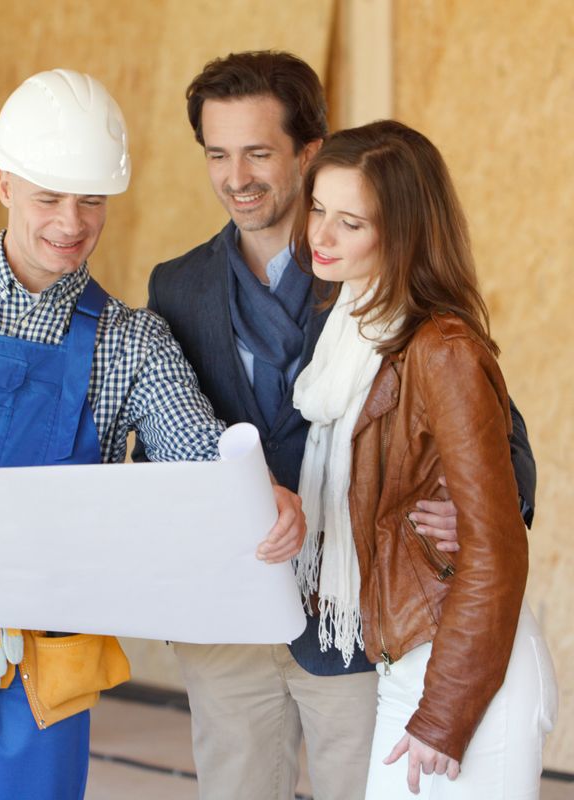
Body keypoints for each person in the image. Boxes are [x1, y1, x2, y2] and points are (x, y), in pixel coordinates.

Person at [0, 69, 305, 800]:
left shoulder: (131, 343)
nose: (71, 223)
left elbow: (197, 452)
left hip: (38, 665)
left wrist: (259, 497)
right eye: (49, 197)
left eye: (91, 201)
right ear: (6, 183)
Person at [134, 51, 537, 800]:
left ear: (309, 151)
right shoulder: (176, 285)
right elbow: (161, 444)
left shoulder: (379, 278)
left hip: (351, 622)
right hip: (228, 616)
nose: (236, 176)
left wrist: (485, 509)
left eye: (258, 151)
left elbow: (498, 437)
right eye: (217, 154)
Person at [291, 118, 557, 798]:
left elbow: (497, 548)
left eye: (350, 223)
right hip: (408, 656)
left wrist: (446, 712)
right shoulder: (351, 332)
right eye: (319, 208)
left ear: (402, 232)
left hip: (462, 668)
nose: (320, 235)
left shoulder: (441, 350)